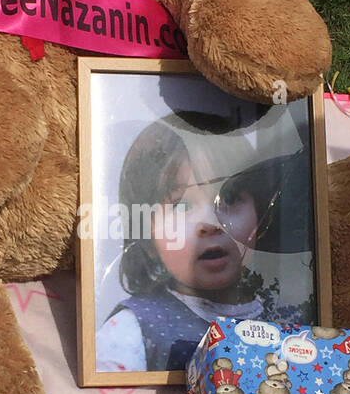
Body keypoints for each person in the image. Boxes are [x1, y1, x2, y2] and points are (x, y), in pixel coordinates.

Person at [95, 109, 311, 373]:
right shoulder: (132, 331)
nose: (210, 223)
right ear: (147, 239)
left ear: (262, 213)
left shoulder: (295, 322)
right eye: (182, 205)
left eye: (229, 199)